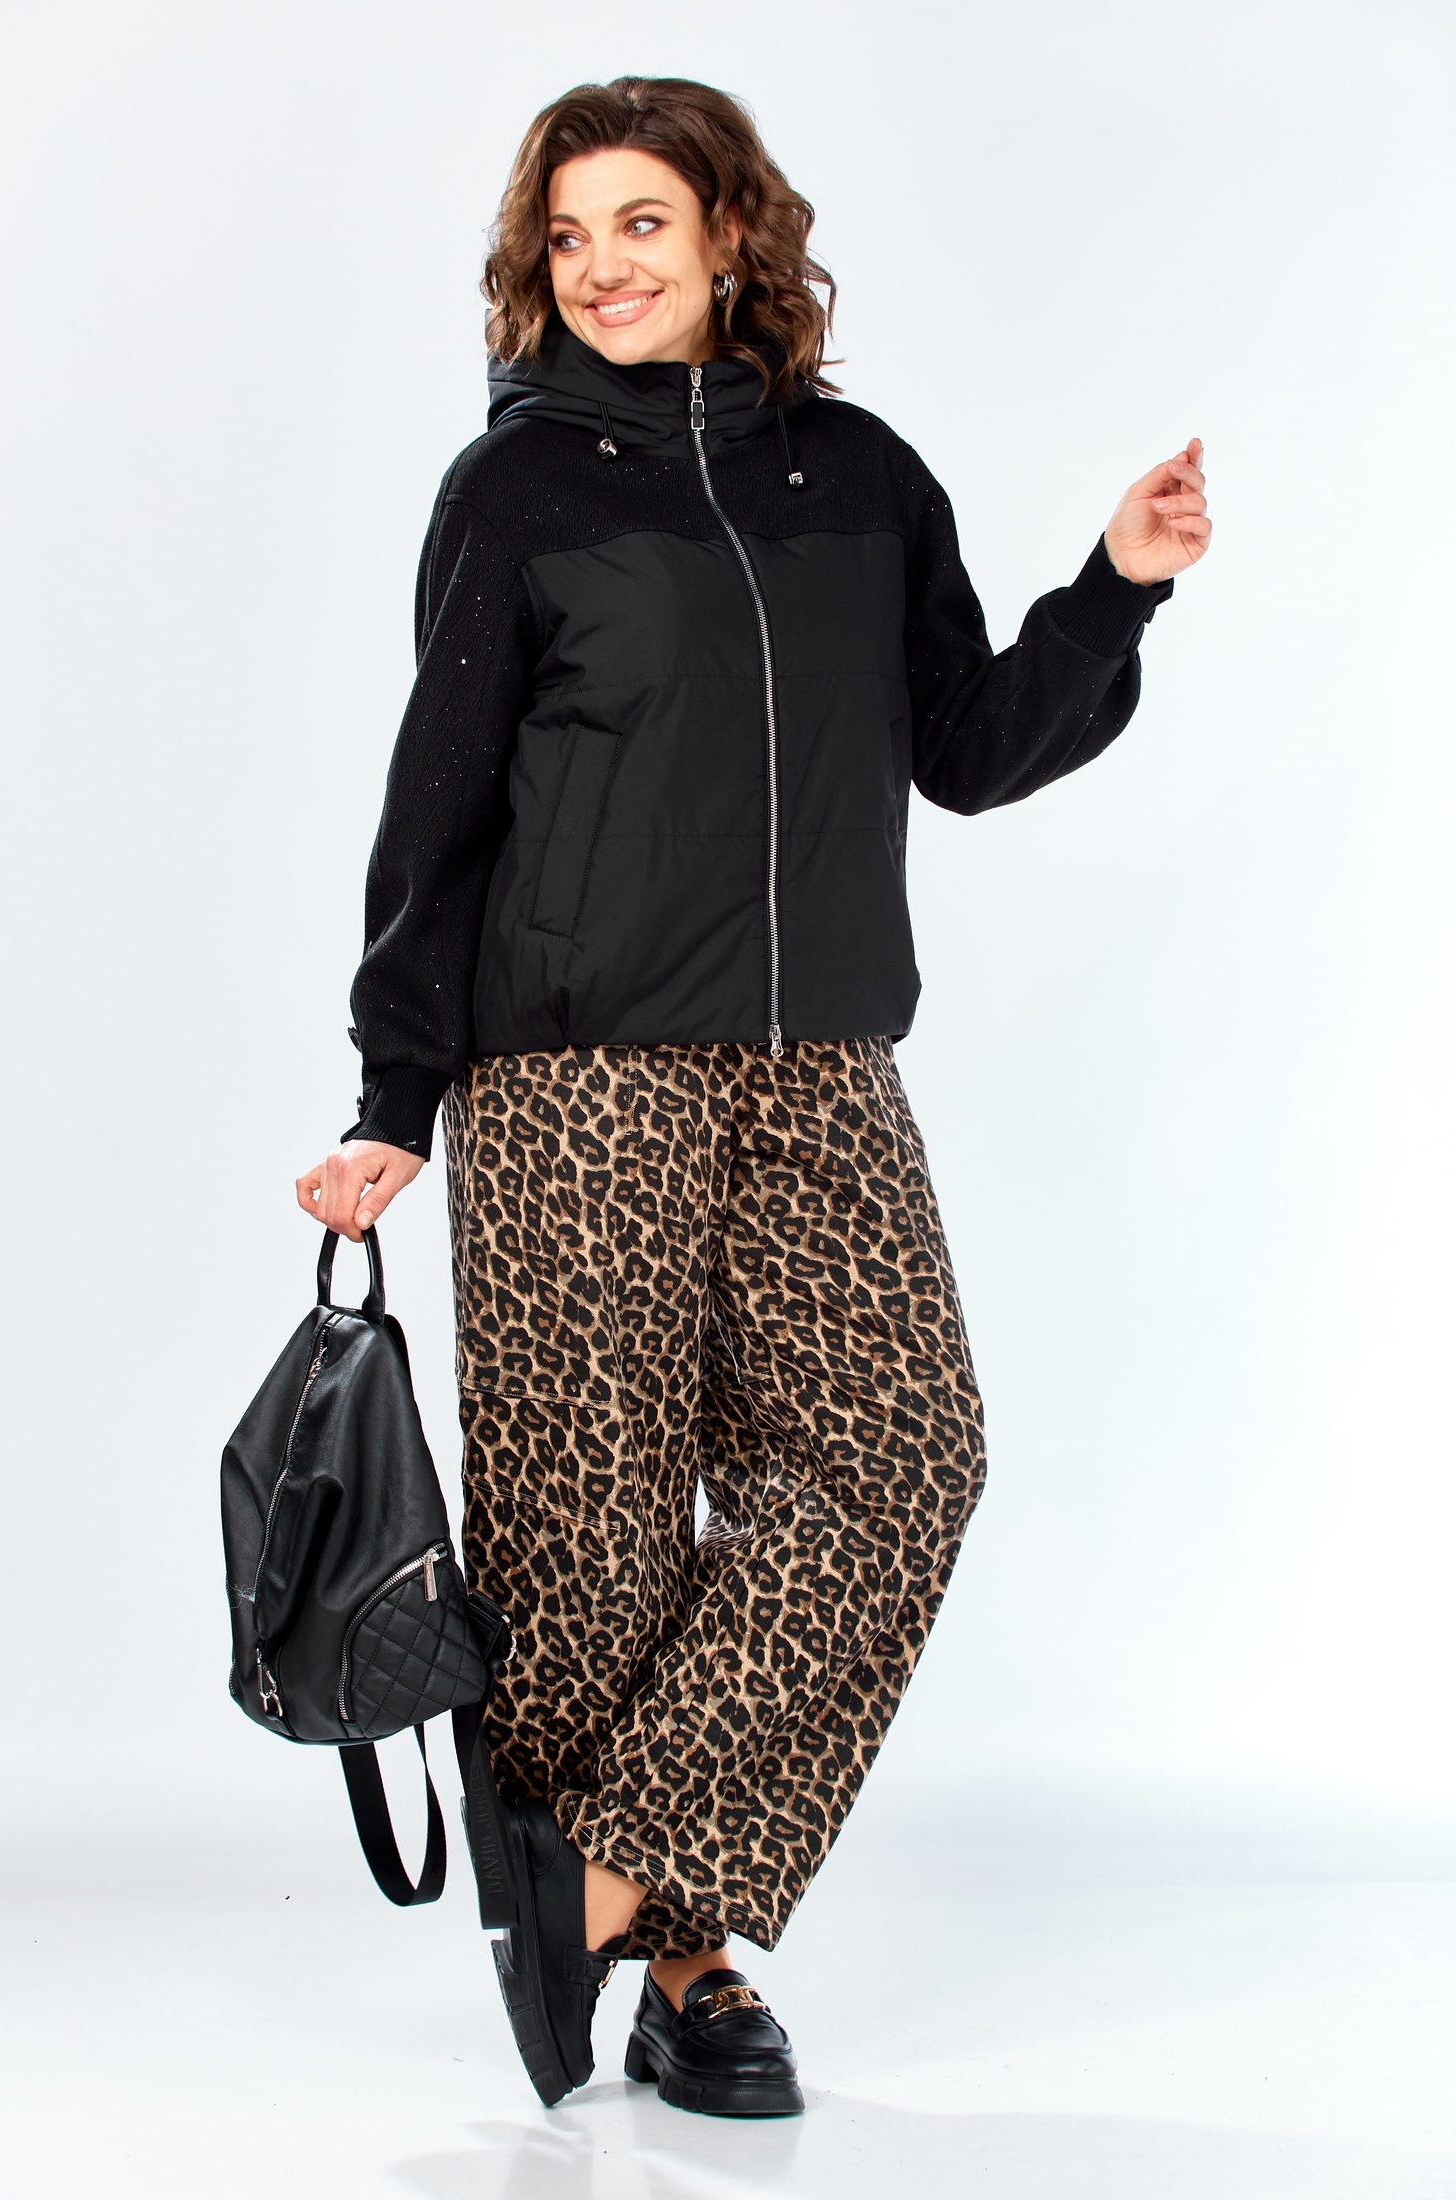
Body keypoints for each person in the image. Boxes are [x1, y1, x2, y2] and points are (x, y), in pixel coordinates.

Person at [296, 74, 1210, 2118]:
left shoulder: (860, 477)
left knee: (900, 1456)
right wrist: (391, 1094)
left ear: (731, 233)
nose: (602, 267)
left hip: (818, 1063)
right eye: (567, 236)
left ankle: (598, 1883)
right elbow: (437, 806)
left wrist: (1114, 584)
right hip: (574, 1072)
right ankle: (683, 1969)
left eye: (642, 223)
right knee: (590, 1540)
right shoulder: (517, 491)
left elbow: (967, 746)